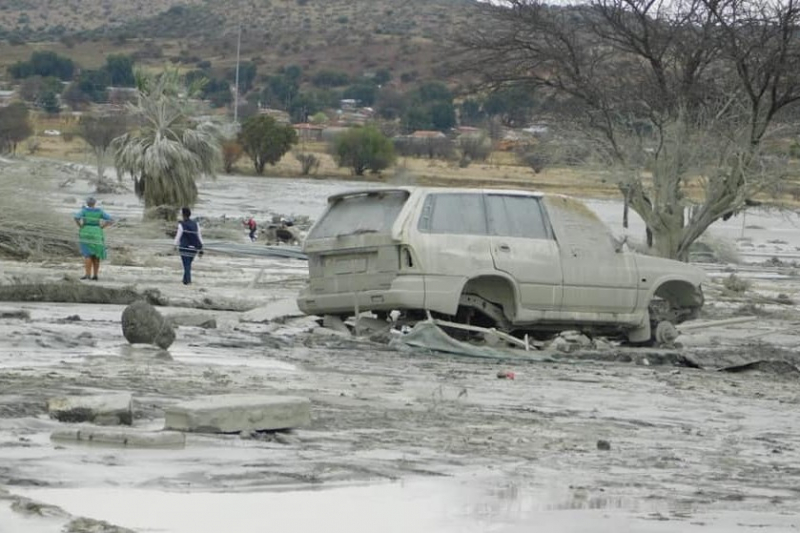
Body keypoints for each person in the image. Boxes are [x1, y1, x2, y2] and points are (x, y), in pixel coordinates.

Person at [74, 197, 113, 281]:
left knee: (87, 254)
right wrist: (103, 226)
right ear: (95, 203)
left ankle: (87, 275)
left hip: (86, 231)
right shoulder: (99, 211)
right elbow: (111, 219)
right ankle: (95, 276)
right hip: (97, 232)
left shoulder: (84, 210)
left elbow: (76, 217)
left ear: (87, 203)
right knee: (96, 254)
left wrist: (80, 226)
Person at [174, 207, 204, 285]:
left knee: (186, 265)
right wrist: (201, 247)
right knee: (188, 265)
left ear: (183, 215)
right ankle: (184, 280)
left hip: (184, 248)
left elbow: (178, 236)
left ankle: (188, 281)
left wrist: (174, 245)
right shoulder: (196, 224)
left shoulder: (181, 225)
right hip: (194, 249)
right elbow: (199, 236)